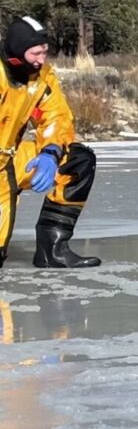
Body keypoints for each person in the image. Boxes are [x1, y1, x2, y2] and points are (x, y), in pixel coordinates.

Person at [0, 16, 100, 269]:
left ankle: (52, 250)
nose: (41, 59)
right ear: (17, 51)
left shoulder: (42, 78)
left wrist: (51, 152)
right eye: (36, 53)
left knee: (76, 160)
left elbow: (57, 117)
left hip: (9, 162)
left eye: (45, 52)